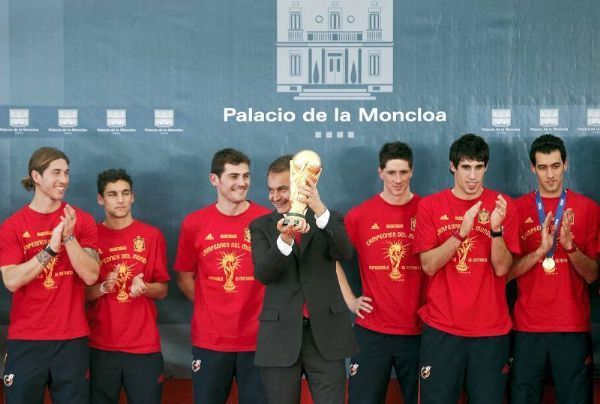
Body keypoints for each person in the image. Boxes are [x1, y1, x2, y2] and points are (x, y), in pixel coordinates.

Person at [413, 134, 519, 403]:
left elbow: (502, 269)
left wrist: (496, 230)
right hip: (442, 330)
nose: (472, 176)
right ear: (452, 167)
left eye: (478, 167)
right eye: (466, 167)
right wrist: (459, 234)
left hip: (490, 331)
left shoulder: (503, 205)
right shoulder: (430, 205)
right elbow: (428, 265)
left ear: (486, 168)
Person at [250, 154, 358, 404]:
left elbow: (345, 253)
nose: (274, 197)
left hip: (326, 337)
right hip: (280, 336)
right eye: (271, 190)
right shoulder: (261, 226)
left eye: (282, 189)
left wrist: (320, 210)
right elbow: (264, 274)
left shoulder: (328, 219)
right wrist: (285, 238)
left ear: (300, 187)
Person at [0, 147, 99, 403]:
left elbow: (91, 276)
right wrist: (50, 249)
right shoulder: (12, 226)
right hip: (27, 340)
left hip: (71, 339)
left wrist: (69, 239)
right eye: (56, 173)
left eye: (66, 172)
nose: (64, 180)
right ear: (36, 176)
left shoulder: (81, 220)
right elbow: (11, 281)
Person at [508, 134, 599, 403]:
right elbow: (505, 273)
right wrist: (538, 251)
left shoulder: (588, 209)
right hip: (527, 327)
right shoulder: (516, 208)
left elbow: (593, 275)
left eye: (556, 166)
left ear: (566, 165)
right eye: (543, 167)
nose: (550, 175)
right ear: (532, 168)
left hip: (572, 326)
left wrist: (570, 248)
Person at [174, 148, 269, 404]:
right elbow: (184, 277)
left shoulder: (267, 221)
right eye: (234, 176)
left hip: (259, 340)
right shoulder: (194, 223)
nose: (242, 183)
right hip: (210, 341)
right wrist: (211, 306)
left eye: (246, 176)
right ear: (214, 180)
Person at [337, 142, 425, 404]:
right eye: (391, 173)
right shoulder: (359, 215)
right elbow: (332, 258)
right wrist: (351, 300)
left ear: (412, 172)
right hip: (372, 330)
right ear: (380, 172)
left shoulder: (428, 210)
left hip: (419, 330)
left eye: (403, 172)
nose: (397, 180)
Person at [86, 169, 170, 404]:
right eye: (112, 194)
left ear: (133, 196)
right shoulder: (89, 237)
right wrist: (103, 287)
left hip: (143, 347)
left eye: (125, 193)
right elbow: (79, 294)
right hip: (100, 346)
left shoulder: (151, 235)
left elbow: (162, 289)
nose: (120, 200)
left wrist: (144, 287)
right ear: (100, 199)